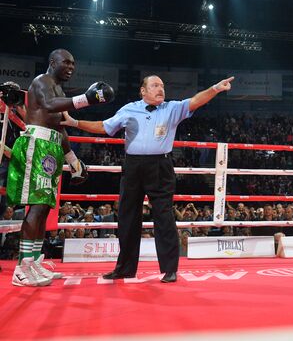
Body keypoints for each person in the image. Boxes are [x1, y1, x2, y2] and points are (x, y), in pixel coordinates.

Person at [62, 74, 234, 283]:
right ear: (143, 91)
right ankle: (125, 268)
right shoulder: (129, 109)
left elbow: (196, 100)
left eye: (162, 85)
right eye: (154, 85)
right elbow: (104, 127)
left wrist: (215, 88)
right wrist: (73, 122)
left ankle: (170, 269)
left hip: (160, 166)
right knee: (127, 218)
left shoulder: (172, 108)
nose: (160, 89)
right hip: (133, 166)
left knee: (164, 217)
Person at [2, 49, 114, 287]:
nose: (71, 67)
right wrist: (86, 99)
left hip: (51, 147)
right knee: (36, 206)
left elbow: (61, 126)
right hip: (37, 144)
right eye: (66, 62)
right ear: (53, 62)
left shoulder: (59, 89)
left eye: (74, 63)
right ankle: (22, 269)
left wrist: (73, 160)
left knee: (43, 209)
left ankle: (33, 262)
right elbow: (49, 105)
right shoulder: (41, 82)